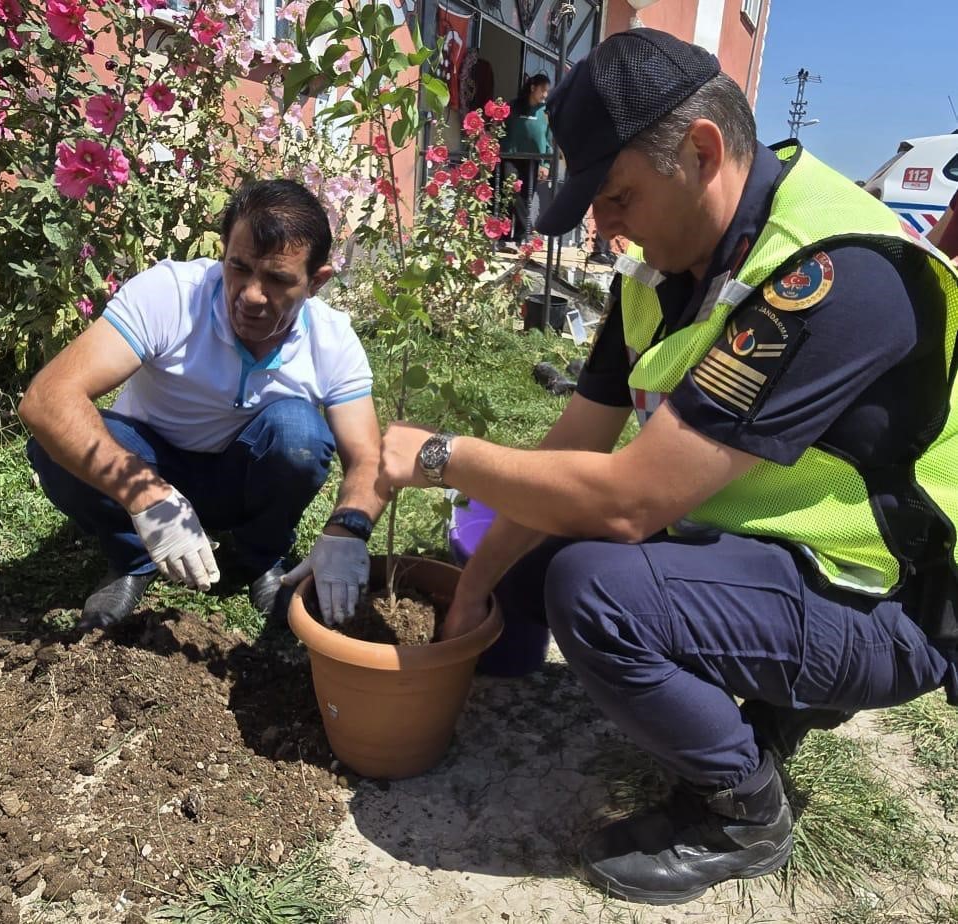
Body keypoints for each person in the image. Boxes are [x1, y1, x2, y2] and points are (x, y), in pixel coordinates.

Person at [377, 29, 958, 906]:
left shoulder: (833, 274)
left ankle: (741, 808)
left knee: (596, 581)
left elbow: (627, 504)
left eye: (616, 198)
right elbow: (571, 453)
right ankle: (511, 665)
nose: (605, 231)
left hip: (881, 601)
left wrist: (437, 456)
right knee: (525, 522)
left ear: (701, 151)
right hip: (762, 550)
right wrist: (472, 596)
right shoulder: (662, 276)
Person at [21, 179, 388, 632]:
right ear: (223, 252)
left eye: (277, 279)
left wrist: (348, 529)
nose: (251, 294)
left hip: (241, 476)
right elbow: (47, 398)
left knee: (299, 435)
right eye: (239, 267)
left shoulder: (331, 340)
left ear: (316, 281)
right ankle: (133, 557)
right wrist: (146, 495)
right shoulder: (172, 294)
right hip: (148, 464)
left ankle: (259, 555)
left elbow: (368, 456)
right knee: (56, 445)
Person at [502, 74, 553, 244]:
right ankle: (506, 235)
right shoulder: (513, 106)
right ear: (533, 88)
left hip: (533, 160)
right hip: (511, 156)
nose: (545, 95)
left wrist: (545, 163)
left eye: (547, 91)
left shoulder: (545, 112)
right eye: (543, 90)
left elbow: (548, 138)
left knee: (526, 197)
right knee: (511, 193)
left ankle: (521, 235)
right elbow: (500, 128)